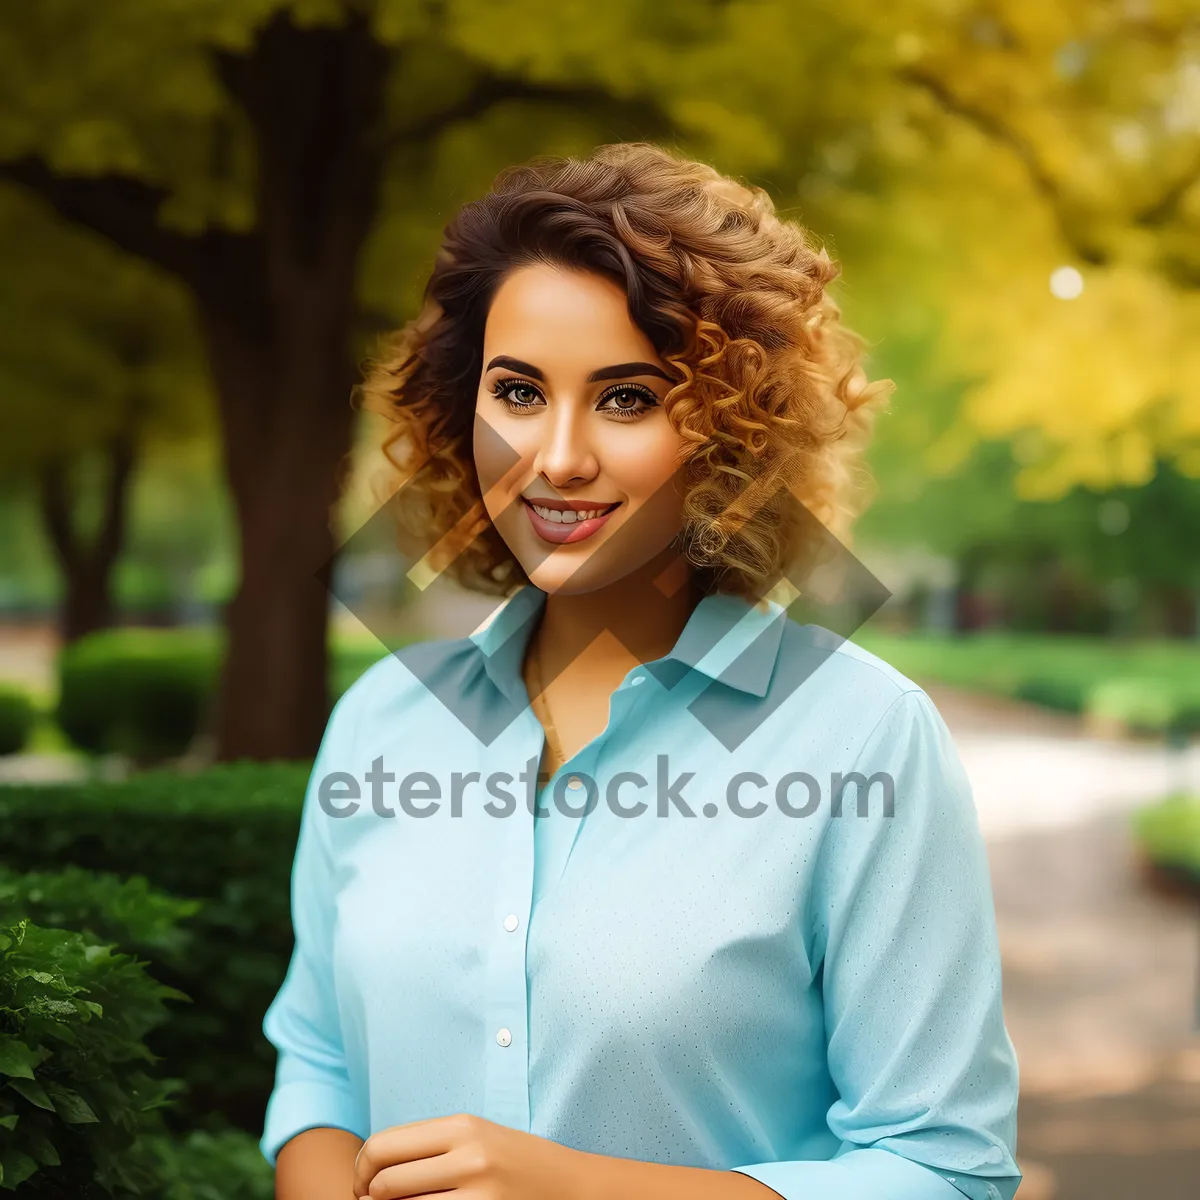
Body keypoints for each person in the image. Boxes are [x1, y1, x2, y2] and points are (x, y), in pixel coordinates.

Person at [260, 142, 1021, 1200]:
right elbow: (321, 1067)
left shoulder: (863, 739)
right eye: (517, 391)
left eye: (626, 399)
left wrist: (573, 1188)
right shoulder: (384, 717)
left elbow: (944, 1168)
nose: (558, 457)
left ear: (730, 433)